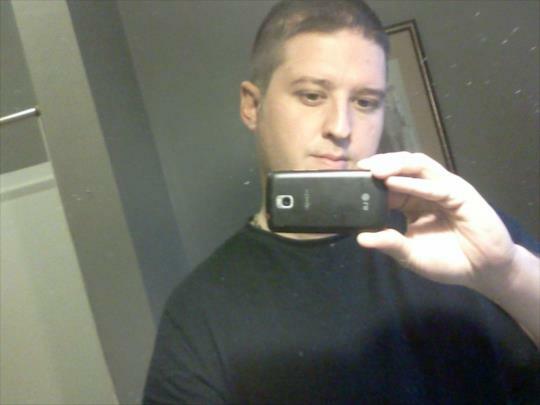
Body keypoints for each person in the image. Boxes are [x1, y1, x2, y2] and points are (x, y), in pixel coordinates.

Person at [143, 1, 539, 403]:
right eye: (312, 95)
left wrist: (509, 275)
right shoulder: (201, 310)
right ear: (252, 106)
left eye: (365, 102)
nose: (341, 127)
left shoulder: (457, 234)